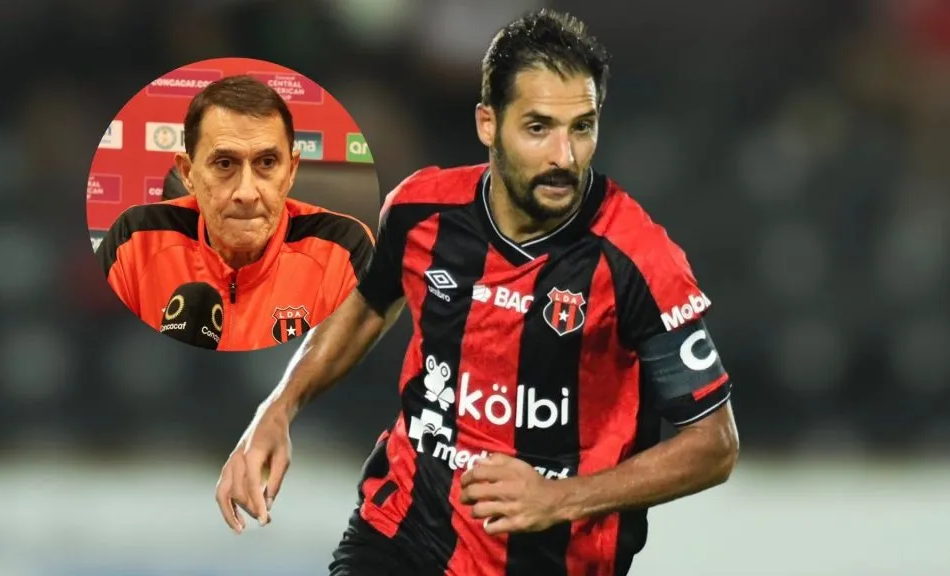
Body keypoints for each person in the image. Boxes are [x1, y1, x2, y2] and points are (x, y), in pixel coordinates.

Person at [215, 9, 739, 575]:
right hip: (401, 535)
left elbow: (714, 442)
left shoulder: (638, 259)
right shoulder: (422, 210)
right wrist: (278, 409)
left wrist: (560, 498)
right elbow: (366, 306)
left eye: (581, 127)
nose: (564, 156)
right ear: (488, 123)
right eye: (538, 128)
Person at [96, 75, 375, 351]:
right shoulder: (135, 240)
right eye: (225, 163)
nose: (246, 192)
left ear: (291, 170)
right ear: (187, 173)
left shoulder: (343, 249)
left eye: (266, 162)